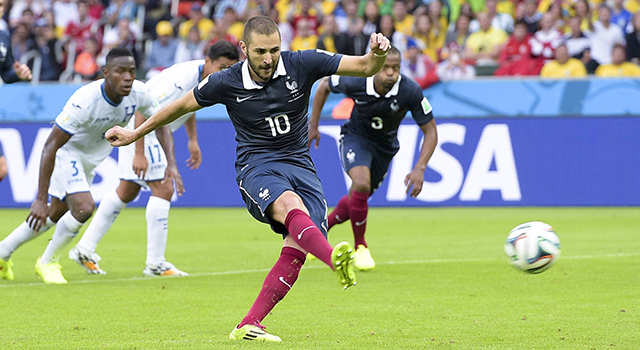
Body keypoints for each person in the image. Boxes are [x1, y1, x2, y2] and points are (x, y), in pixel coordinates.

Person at [105, 16, 391, 342]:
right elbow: (178, 107)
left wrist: (378, 53)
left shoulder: (303, 63)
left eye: (274, 50)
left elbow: (367, 67)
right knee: (289, 204)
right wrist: (134, 135)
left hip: (301, 166)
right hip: (258, 166)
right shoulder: (226, 81)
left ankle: (250, 323)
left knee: (297, 245)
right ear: (244, 49)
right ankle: (332, 259)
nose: (268, 59)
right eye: (259, 52)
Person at [69, 41, 240, 276]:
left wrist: (192, 139)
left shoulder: (205, 77)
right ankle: (155, 263)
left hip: (148, 129)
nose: (225, 73)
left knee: (126, 190)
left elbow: (187, 105)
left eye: (230, 68)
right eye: (222, 67)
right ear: (208, 61)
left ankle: (84, 248)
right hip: (141, 129)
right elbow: (142, 110)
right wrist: (138, 152)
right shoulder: (179, 79)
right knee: (164, 188)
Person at [0, 48, 169, 284]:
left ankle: (2, 252)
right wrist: (39, 197)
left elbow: (161, 121)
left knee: (54, 213)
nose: (128, 77)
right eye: (120, 71)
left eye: (131, 71)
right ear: (106, 73)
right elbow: (50, 146)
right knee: (84, 207)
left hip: (92, 159)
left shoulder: (139, 92)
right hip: (68, 152)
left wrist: (170, 164)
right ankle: (48, 261)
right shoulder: (85, 100)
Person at [308, 46, 437, 271]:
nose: (390, 74)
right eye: (385, 67)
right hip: (355, 137)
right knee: (361, 183)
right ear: (376, 66)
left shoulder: (410, 90)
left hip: (384, 149)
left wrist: (420, 168)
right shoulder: (357, 81)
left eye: (395, 68)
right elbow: (324, 85)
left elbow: (431, 131)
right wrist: (313, 125)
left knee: (357, 198)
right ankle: (361, 246)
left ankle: (317, 232)